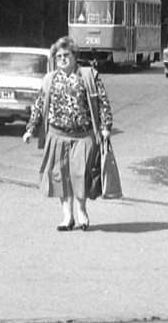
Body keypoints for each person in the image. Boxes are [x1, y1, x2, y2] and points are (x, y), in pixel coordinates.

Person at [23, 36, 113, 232]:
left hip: (83, 135)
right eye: (59, 56)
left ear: (75, 56)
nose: (63, 59)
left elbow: (103, 103)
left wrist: (106, 127)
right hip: (57, 135)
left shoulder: (89, 76)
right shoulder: (49, 79)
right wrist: (30, 129)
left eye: (66, 55)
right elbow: (39, 106)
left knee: (79, 173)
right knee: (60, 176)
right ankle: (67, 217)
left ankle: (82, 212)